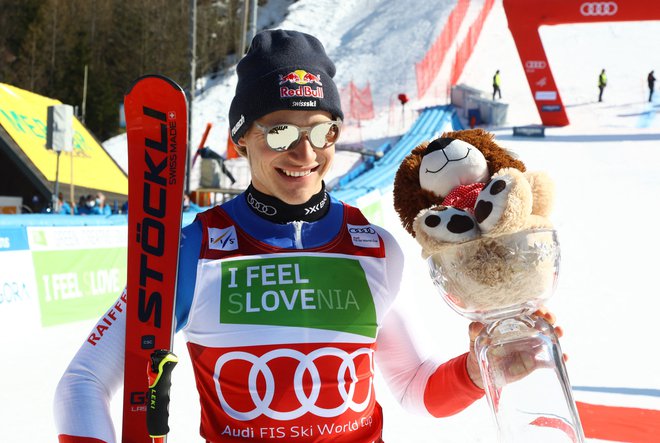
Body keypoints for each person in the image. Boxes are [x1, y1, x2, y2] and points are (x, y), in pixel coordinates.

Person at [54, 30, 562, 443]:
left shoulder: (373, 247)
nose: (304, 154)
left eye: (321, 131)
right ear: (241, 140)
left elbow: (411, 386)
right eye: (279, 133)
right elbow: (82, 383)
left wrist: (478, 370)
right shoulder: (196, 249)